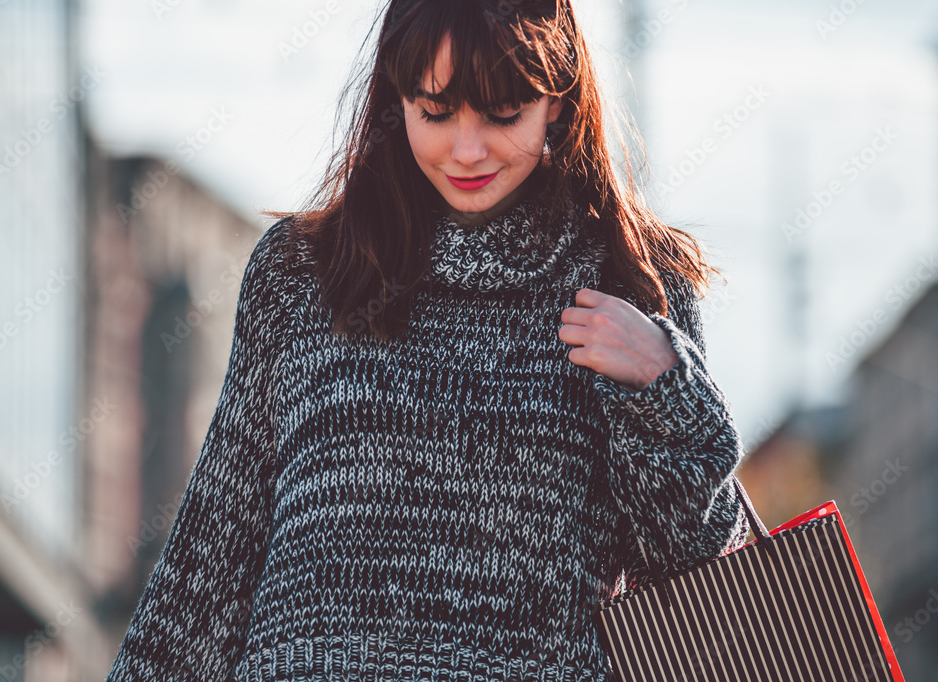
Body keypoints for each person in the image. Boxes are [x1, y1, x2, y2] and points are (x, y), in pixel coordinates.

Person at [106, 0, 750, 680]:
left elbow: (702, 580)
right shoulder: (302, 274)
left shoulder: (634, 282)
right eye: (435, 112)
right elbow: (213, 555)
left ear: (556, 101)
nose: (467, 149)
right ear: (397, 97)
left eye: (503, 113)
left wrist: (665, 387)